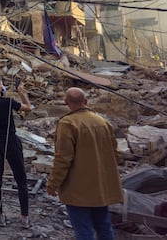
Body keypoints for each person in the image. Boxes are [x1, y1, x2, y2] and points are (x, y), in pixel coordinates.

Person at [47, 87, 123, 240]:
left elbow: (63, 159)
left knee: (83, 230)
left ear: (66, 102)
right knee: (104, 226)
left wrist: (53, 183)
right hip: (101, 188)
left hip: (77, 189)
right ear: (86, 101)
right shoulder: (103, 122)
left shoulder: (67, 124)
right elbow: (115, 155)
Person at [0, 75, 32, 227]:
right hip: (11, 142)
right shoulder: (8, 102)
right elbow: (28, 108)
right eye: (2, 84)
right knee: (21, 178)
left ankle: (0, 216)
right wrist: (21, 92)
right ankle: (24, 217)